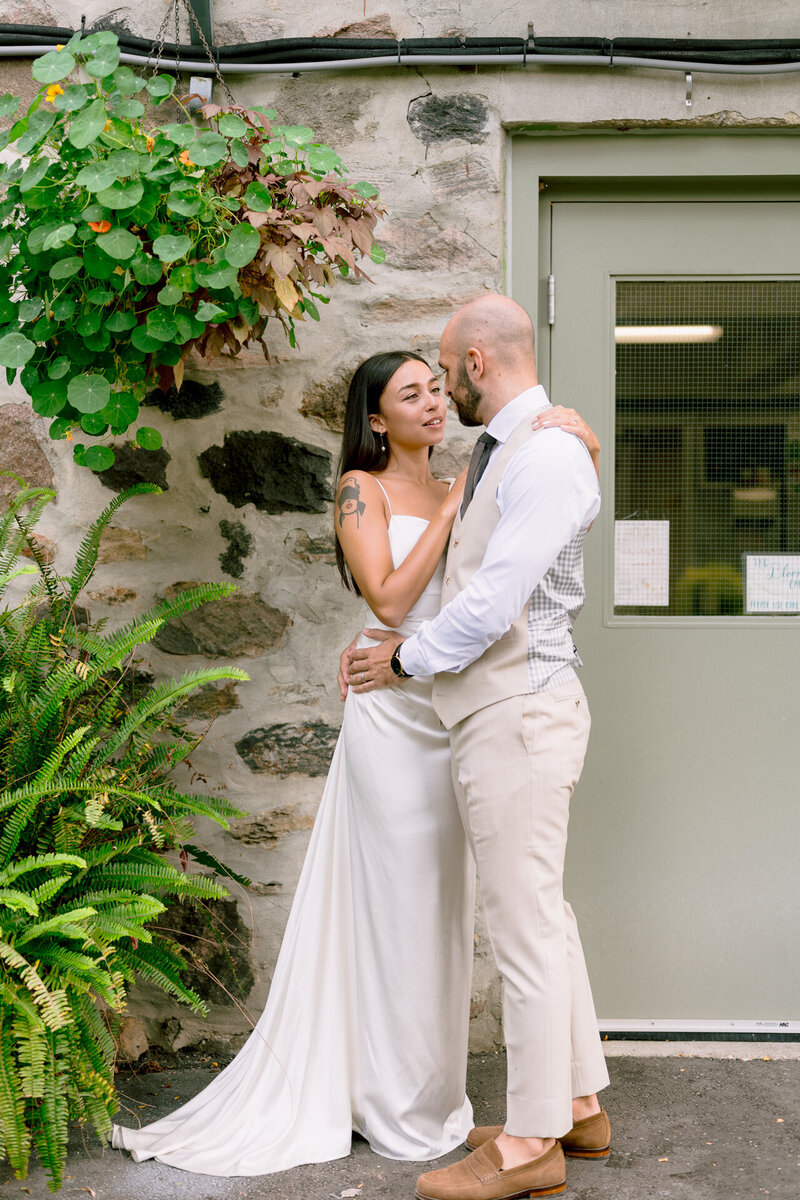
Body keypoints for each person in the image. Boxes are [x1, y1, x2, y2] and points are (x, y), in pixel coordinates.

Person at [111, 346, 598, 1178]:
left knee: (473, 903)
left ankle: (495, 1099)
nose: (436, 403)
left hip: (460, 701)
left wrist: (577, 435)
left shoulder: (485, 471)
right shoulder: (360, 489)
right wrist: (448, 508)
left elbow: (537, 518)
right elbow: (390, 598)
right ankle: (400, 1102)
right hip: (395, 715)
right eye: (413, 393)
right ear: (376, 418)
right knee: (402, 905)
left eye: (438, 388)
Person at [346, 296, 610, 1200]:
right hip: (505, 709)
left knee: (524, 928)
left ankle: (531, 1145)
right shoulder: (523, 446)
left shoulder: (542, 453)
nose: (441, 388)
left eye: (444, 372)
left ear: (474, 362)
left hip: (518, 710)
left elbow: (495, 599)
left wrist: (406, 660)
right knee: (543, 914)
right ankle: (575, 1103)